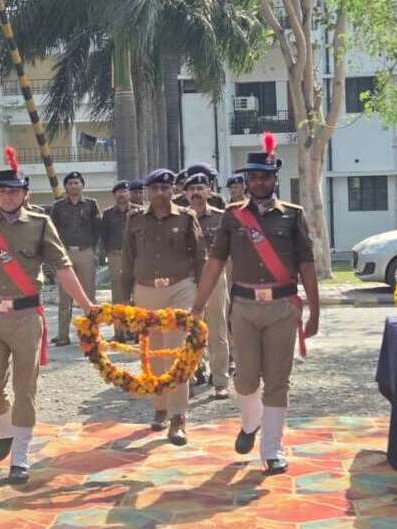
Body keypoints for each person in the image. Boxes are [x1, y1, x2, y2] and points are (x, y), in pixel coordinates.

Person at [191, 142, 319, 475]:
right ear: (246, 181)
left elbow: (306, 265)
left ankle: (272, 448)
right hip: (244, 307)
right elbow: (215, 262)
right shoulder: (233, 216)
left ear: (275, 178)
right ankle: (251, 423)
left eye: (265, 177)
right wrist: (198, 305)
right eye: (253, 177)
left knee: (277, 381)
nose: (259, 182)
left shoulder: (293, 215)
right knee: (246, 380)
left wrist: (315, 311)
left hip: (282, 307)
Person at [0, 159, 95, 484]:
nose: (8, 197)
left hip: (27, 317)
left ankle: (20, 457)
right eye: (2, 192)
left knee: (25, 388)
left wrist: (86, 305)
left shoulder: (40, 223)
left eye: (14, 191)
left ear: (25, 193)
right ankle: (6, 427)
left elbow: (63, 268)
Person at [122, 168, 205, 445]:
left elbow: (200, 259)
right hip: (146, 291)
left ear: (173, 191)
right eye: (155, 188)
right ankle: (160, 407)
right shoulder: (134, 219)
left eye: (165, 188)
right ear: (148, 191)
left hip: (179, 289)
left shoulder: (186, 218)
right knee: (154, 354)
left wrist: (201, 299)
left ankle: (178, 416)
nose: (160, 193)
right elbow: (127, 261)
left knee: (176, 353)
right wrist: (123, 304)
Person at [185, 173, 231, 399]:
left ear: (209, 191)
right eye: (192, 189)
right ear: (186, 194)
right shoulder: (180, 218)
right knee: (190, 331)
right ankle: (191, 377)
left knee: (217, 330)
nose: (196, 193)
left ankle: (220, 380)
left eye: (200, 188)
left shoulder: (222, 217)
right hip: (187, 280)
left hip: (214, 279)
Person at [49, 171, 100, 347]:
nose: (73, 186)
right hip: (65, 254)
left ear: (82, 185)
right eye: (70, 183)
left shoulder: (91, 204)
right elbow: (52, 231)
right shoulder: (58, 206)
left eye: (77, 182)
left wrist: (94, 251)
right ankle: (63, 335)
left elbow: (97, 228)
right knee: (65, 296)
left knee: (89, 295)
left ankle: (91, 334)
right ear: (65, 186)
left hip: (86, 252)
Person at [100, 181, 136, 341]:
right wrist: (104, 254)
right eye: (118, 192)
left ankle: (136, 331)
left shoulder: (138, 211)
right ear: (114, 195)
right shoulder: (108, 214)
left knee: (136, 294)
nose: (121, 195)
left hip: (135, 257)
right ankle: (119, 332)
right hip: (115, 256)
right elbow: (104, 235)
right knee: (118, 295)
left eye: (124, 191)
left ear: (129, 194)